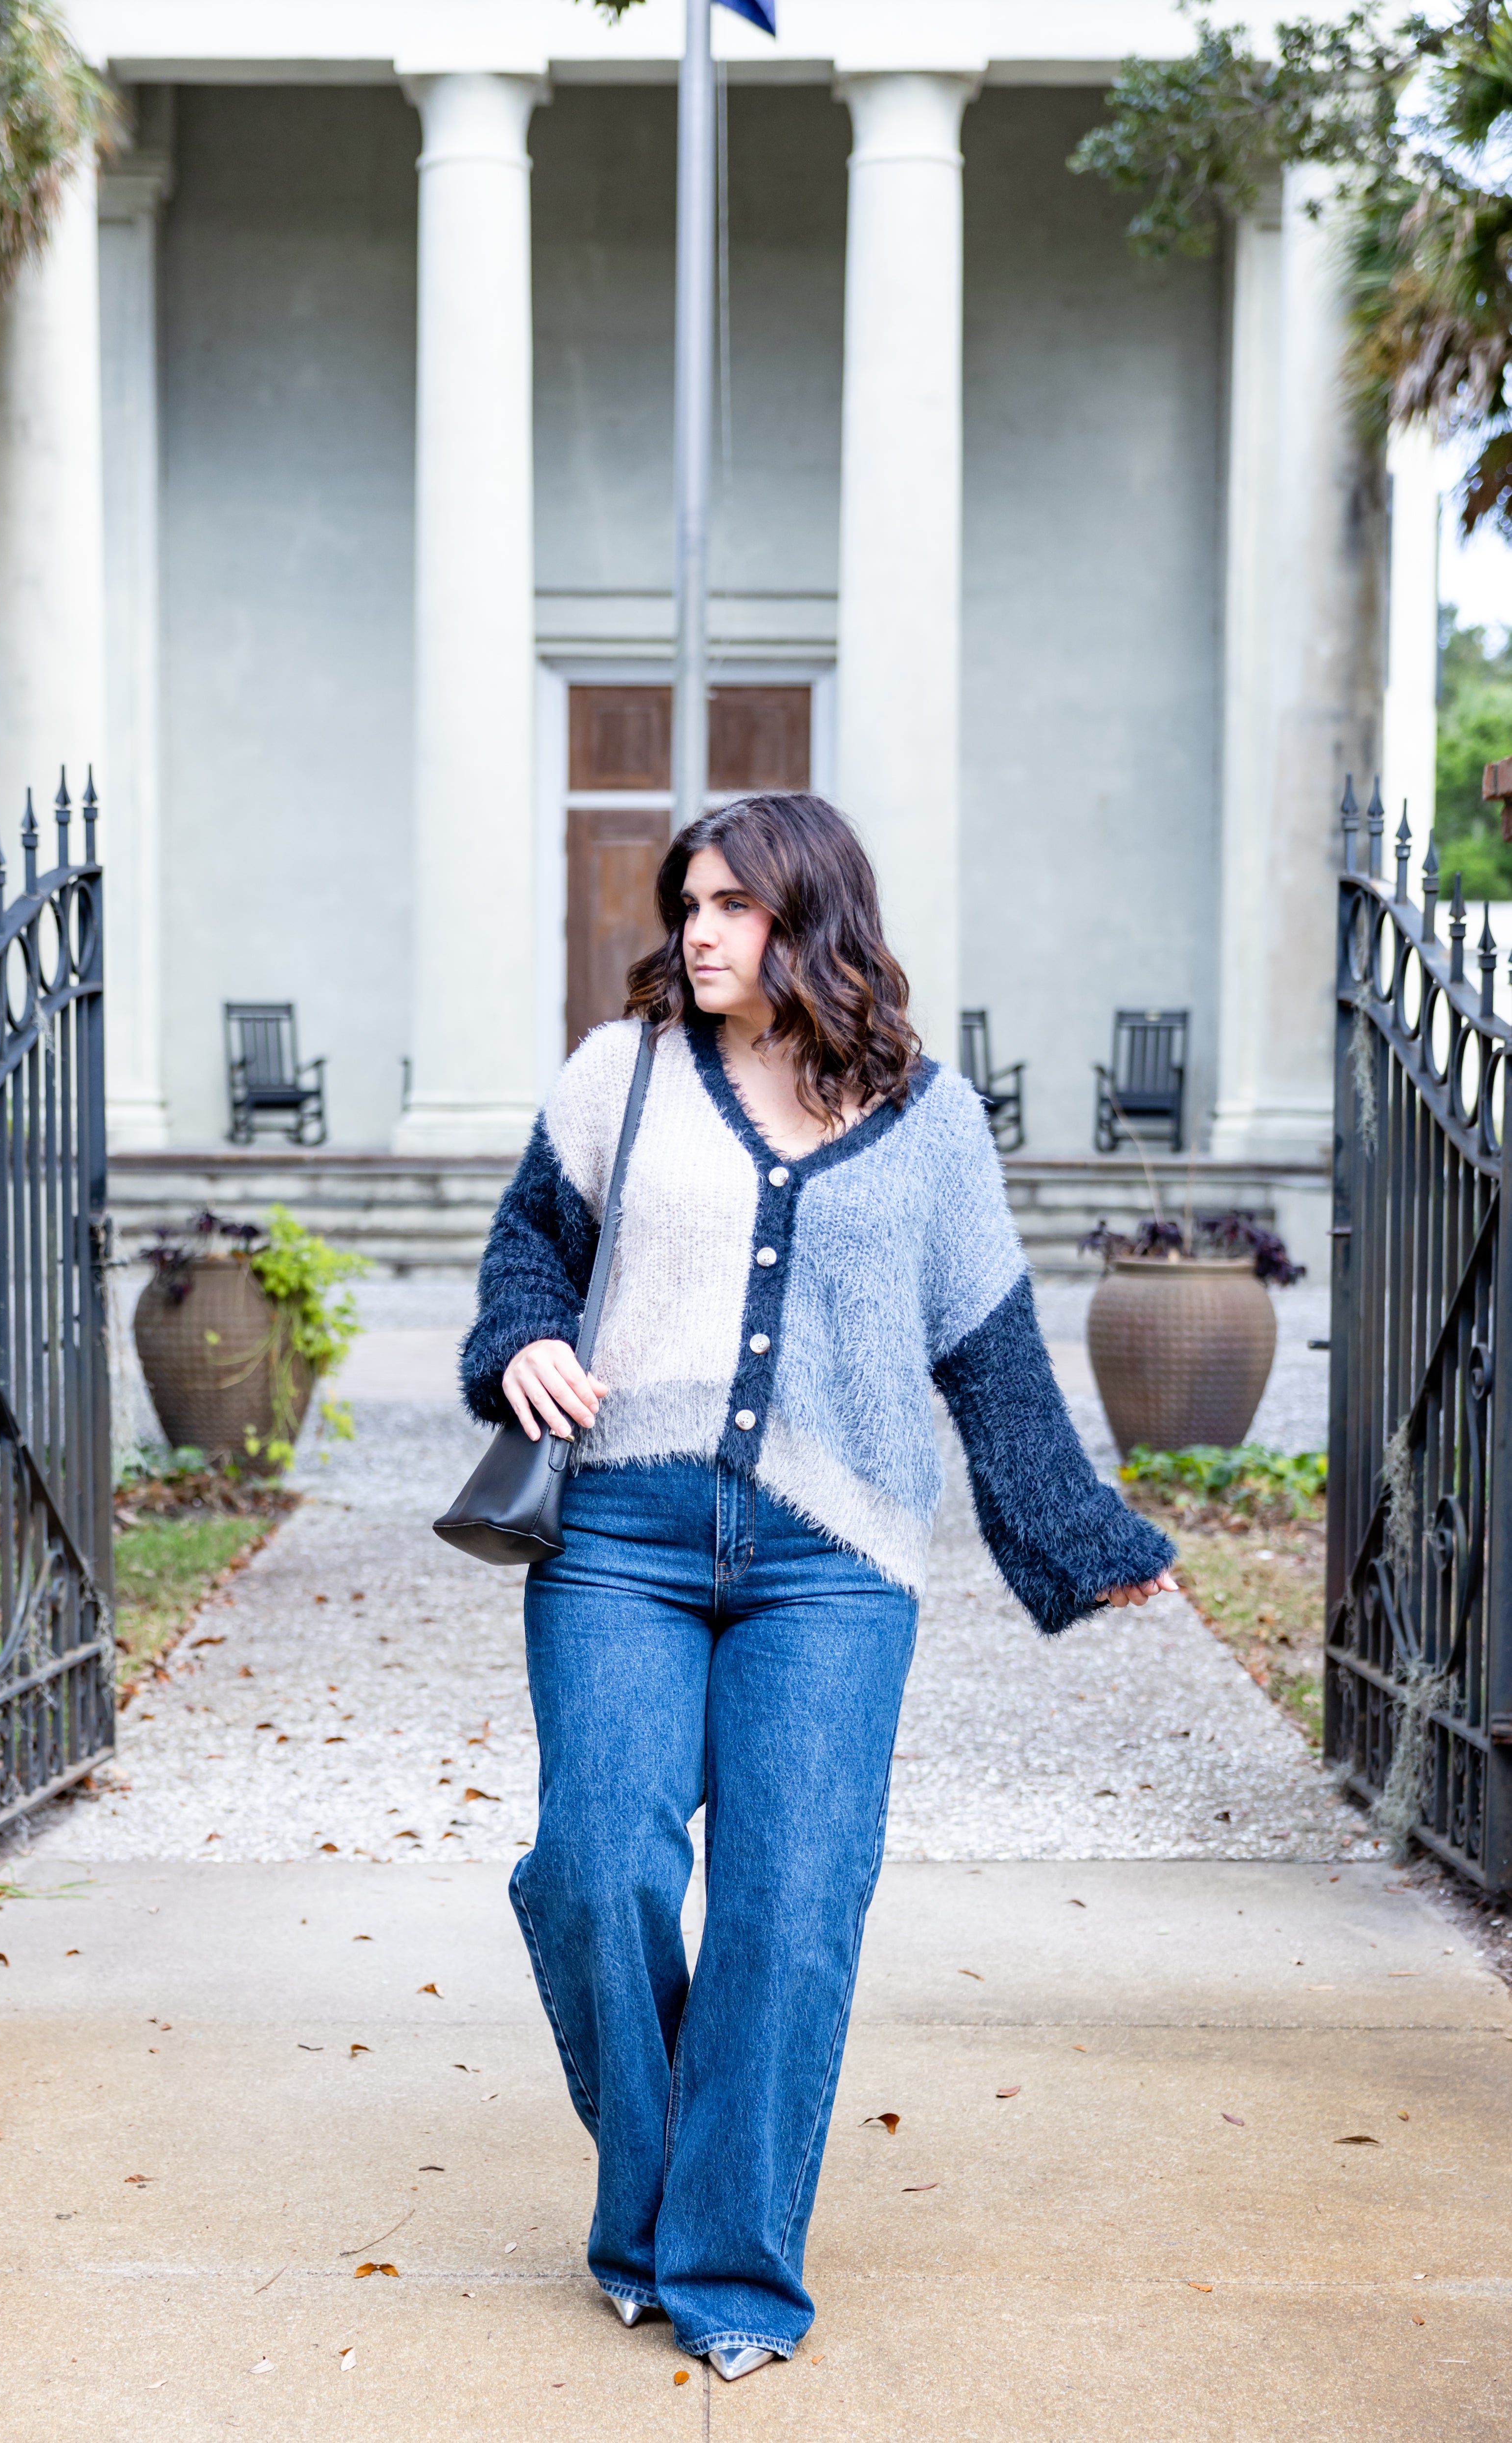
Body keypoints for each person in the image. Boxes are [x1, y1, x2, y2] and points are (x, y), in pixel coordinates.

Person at [459, 792, 1175, 2381]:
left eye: (731, 906)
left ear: (815, 919)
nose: (696, 932)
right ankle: (647, 2192)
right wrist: (528, 1338)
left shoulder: (933, 1121)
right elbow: (528, 1246)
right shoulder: (618, 1074)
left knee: (788, 1910)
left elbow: (987, 1348)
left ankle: (726, 2270)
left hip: (834, 1565)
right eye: (687, 903)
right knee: (594, 1866)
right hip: (620, 1540)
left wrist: (1078, 1535)